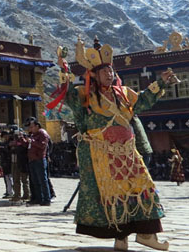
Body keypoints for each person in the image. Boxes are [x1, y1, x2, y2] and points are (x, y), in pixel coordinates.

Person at [53, 37, 177, 251]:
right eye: (104, 71)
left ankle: (147, 234)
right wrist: (64, 69)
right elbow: (69, 95)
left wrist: (162, 83)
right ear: (93, 74)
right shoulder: (86, 96)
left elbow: (144, 100)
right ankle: (121, 239)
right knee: (114, 195)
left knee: (144, 189)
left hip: (128, 152)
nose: (109, 74)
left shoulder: (125, 93)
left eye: (111, 71)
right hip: (102, 153)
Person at [26, 119, 51, 206]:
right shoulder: (33, 135)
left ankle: (46, 199)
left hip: (39, 159)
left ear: (37, 126)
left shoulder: (42, 133)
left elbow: (42, 145)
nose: (30, 128)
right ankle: (38, 198)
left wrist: (32, 142)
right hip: (32, 159)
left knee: (42, 180)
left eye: (32, 127)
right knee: (35, 180)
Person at [10, 129, 30, 203]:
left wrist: (21, 140)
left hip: (23, 162)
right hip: (14, 162)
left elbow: (25, 148)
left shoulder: (25, 142)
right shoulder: (13, 142)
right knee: (15, 179)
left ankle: (27, 194)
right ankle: (17, 195)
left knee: (24, 180)